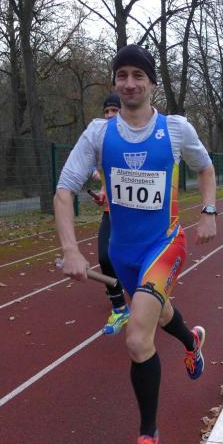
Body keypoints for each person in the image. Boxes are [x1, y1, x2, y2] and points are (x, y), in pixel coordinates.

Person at [54, 44, 217, 444]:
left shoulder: (175, 129)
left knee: (137, 337)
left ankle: (148, 441)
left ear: (151, 83)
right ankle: (191, 341)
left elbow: (205, 168)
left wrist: (209, 211)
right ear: (115, 82)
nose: (129, 83)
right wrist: (70, 249)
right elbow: (64, 190)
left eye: (138, 76)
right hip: (122, 253)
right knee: (160, 313)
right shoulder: (98, 134)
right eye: (122, 75)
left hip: (164, 245)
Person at [89, 92, 130, 336]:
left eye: (114, 111)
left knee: (133, 261)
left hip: (135, 214)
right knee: (104, 257)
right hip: (111, 211)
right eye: (106, 111)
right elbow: (106, 179)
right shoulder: (101, 143)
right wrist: (102, 194)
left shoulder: (134, 138)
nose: (109, 115)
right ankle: (119, 306)